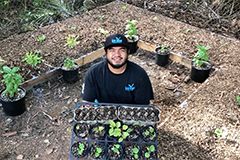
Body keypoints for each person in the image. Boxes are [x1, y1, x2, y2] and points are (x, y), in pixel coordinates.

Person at [82, 33, 154, 104]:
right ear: (106, 53)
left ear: (128, 52)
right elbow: (87, 104)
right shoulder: (93, 73)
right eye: (112, 50)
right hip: (102, 112)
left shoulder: (140, 75)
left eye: (122, 50)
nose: (117, 54)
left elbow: (143, 108)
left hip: (130, 114)